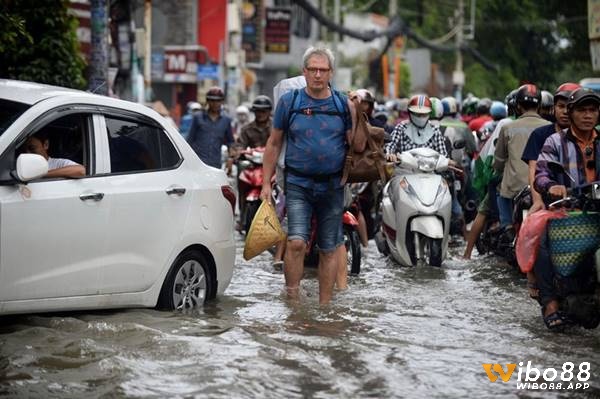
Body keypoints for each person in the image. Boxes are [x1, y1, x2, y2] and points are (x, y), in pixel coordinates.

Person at [260, 46, 363, 305]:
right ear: (304, 72)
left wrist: (358, 114)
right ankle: (293, 301)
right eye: (313, 69)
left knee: (329, 248)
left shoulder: (342, 104)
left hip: (332, 185)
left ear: (331, 73)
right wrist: (264, 184)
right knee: (295, 242)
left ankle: (324, 307)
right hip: (298, 184)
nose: (318, 75)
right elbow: (273, 144)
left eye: (323, 70)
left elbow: (357, 145)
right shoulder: (290, 102)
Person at [533, 88, 600, 329]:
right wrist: (551, 186)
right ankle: (550, 302)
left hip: (597, 209)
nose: (588, 116)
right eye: (582, 110)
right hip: (566, 208)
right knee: (539, 240)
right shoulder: (554, 142)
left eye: (593, 110)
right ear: (570, 113)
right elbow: (540, 174)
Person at [493, 84, 550, 230]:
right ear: (539, 106)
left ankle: (507, 226)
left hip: (514, 187)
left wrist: (497, 169)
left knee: (499, 190)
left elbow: (498, 160)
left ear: (518, 106)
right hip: (542, 185)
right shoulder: (550, 126)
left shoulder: (507, 128)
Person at [384, 94, 449, 162]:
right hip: (405, 170)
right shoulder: (401, 127)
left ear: (429, 114)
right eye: (417, 114)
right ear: (410, 113)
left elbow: (443, 155)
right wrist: (389, 154)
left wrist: (445, 161)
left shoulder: (435, 130)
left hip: (430, 171)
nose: (420, 117)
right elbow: (390, 145)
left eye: (424, 114)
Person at [187, 86, 234, 168]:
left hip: (215, 164)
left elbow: (230, 142)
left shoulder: (226, 120)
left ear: (222, 102)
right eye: (212, 100)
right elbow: (190, 140)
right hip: (197, 163)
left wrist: (230, 159)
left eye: (218, 101)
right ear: (207, 101)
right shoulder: (198, 117)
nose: (215, 103)